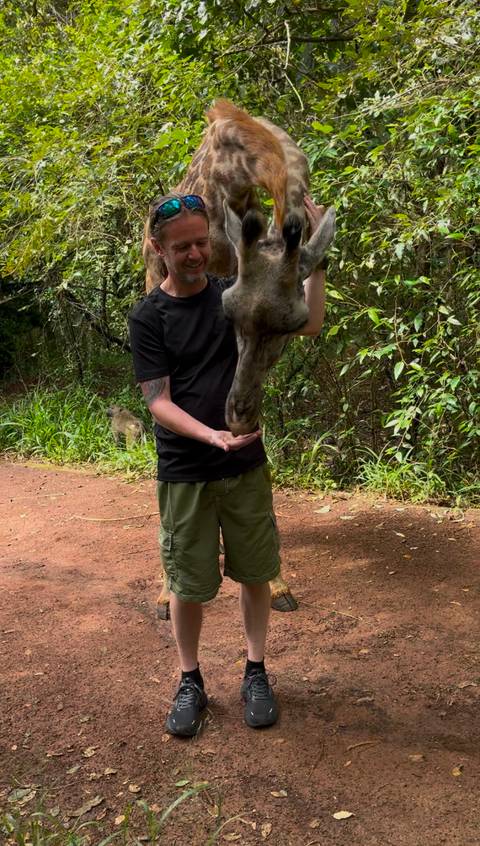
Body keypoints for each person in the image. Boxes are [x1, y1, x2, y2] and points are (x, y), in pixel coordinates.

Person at [128, 192, 327, 737]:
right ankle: (190, 680)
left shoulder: (234, 297)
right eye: (181, 246)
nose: (194, 254)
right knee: (188, 584)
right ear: (158, 249)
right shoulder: (149, 317)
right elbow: (158, 400)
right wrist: (210, 436)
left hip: (245, 462)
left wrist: (316, 256)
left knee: (256, 572)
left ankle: (255, 671)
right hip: (186, 469)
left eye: (201, 243)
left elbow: (305, 323)